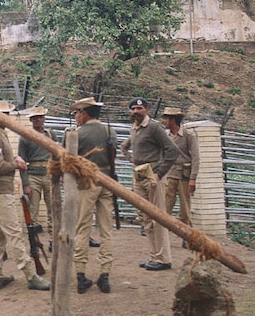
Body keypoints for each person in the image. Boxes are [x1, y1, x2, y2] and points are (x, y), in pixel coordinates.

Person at [0, 100, 50, 292]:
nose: (6, 117)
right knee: (14, 233)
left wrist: (13, 160)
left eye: (7, 113)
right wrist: (17, 164)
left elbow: (1, 161)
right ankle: (30, 275)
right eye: (3, 114)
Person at [120, 97, 179, 271]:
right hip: (139, 177)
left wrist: (159, 173)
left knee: (158, 218)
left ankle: (164, 259)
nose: (136, 112)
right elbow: (124, 147)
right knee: (146, 218)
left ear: (147, 109)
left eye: (139, 109)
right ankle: (154, 256)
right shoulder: (135, 128)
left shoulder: (154, 127)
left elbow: (172, 150)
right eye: (133, 109)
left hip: (153, 178)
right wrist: (133, 161)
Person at [69, 97, 116, 294]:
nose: (76, 117)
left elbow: (70, 161)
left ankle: (80, 274)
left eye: (78, 113)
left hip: (86, 183)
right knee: (106, 229)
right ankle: (105, 274)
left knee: (82, 227)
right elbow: (113, 156)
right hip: (107, 181)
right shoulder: (109, 130)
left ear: (85, 113)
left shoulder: (77, 134)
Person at [161, 107, 200, 248]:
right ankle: (162, 238)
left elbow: (196, 158)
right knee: (165, 208)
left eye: (167, 118)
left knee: (185, 211)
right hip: (169, 175)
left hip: (184, 177)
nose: (164, 121)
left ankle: (187, 237)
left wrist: (193, 178)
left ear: (173, 120)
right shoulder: (165, 135)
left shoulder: (188, 136)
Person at [17, 107, 55, 249]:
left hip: (50, 174)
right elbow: (21, 162)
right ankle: (34, 242)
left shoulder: (51, 134)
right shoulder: (25, 137)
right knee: (33, 211)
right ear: (31, 120)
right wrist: (25, 183)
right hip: (33, 175)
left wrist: (59, 176)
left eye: (41, 117)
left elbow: (57, 155)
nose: (38, 119)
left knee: (53, 209)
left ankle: (53, 240)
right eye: (35, 117)